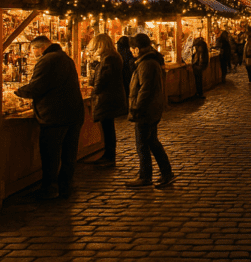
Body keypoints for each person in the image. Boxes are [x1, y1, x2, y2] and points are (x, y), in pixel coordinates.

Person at [14, 35, 85, 199]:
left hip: (55, 114)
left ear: (40, 47)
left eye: (32, 50)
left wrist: (18, 92)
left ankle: (49, 188)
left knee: (51, 153)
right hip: (73, 112)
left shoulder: (47, 61)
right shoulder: (64, 58)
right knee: (69, 153)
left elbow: (38, 86)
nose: (32, 54)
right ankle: (65, 185)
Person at [125, 33, 175, 189]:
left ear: (137, 48)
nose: (132, 52)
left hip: (146, 110)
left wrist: (137, 108)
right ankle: (166, 173)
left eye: (132, 48)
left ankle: (146, 176)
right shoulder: (148, 61)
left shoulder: (146, 63)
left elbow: (145, 90)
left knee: (143, 144)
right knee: (152, 141)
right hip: (151, 108)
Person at [88, 33, 128, 167]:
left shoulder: (109, 58)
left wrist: (94, 91)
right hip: (111, 95)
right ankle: (108, 154)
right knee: (108, 127)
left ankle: (109, 156)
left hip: (108, 97)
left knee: (108, 128)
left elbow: (103, 78)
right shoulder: (112, 57)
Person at [191, 31, 209, 99]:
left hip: (198, 66)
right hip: (199, 65)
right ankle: (199, 92)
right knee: (198, 80)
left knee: (198, 80)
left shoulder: (200, 49)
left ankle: (199, 92)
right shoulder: (201, 47)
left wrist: (197, 65)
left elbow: (200, 58)